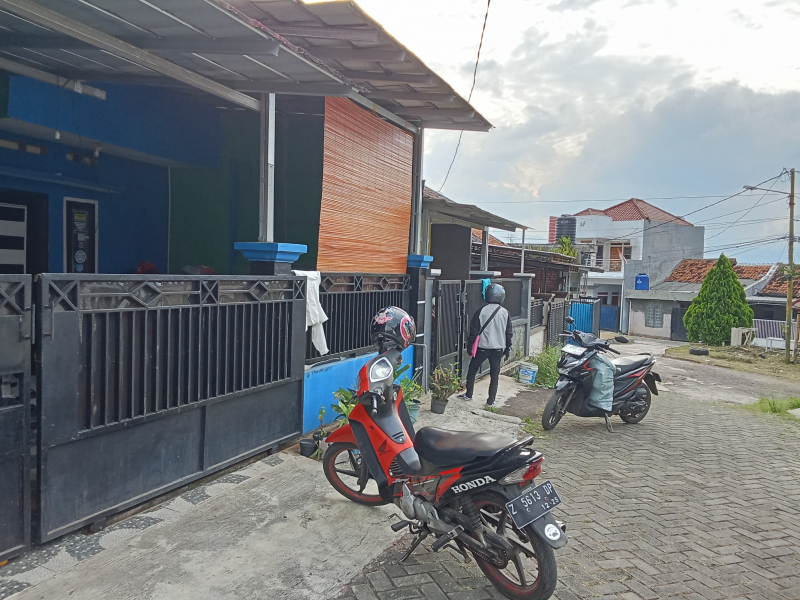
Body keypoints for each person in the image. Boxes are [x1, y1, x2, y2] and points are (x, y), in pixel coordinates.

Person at [459, 283, 512, 405]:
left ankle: (469, 394)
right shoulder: (505, 313)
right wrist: (507, 349)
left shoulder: (481, 311)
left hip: (482, 348)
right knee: (494, 375)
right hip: (498, 349)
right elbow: (509, 333)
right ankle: (490, 401)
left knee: (472, 369)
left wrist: (470, 347)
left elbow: (473, 331)